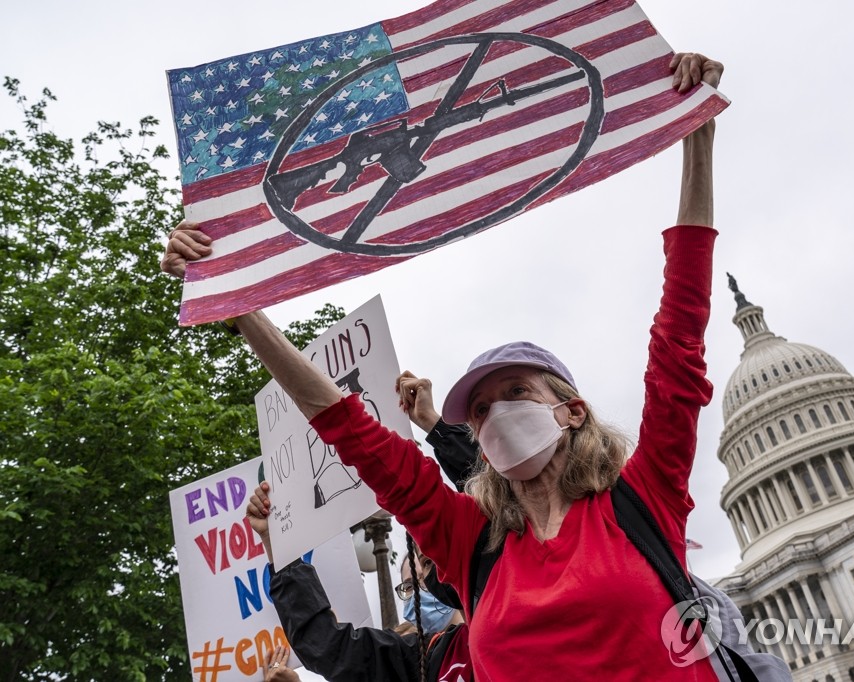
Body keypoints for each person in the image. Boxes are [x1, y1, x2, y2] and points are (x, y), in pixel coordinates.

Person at [164, 52, 724, 679]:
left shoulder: (642, 501)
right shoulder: (470, 545)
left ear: (571, 410)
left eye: (515, 392)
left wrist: (694, 136)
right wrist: (242, 308)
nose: (494, 415)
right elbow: (351, 430)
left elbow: (679, 338)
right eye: (479, 410)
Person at [246, 481, 472, 681]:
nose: (434, 580)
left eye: (431, 566)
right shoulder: (430, 656)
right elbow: (331, 647)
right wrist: (277, 544)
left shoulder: (500, 629)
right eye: (410, 586)